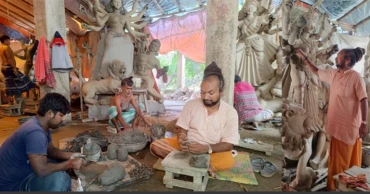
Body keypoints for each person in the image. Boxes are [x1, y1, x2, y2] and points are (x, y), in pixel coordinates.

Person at [295, 47, 368, 191]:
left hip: (349, 126)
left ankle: (344, 186)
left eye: (339, 56)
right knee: (335, 159)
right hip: (336, 125)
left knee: (345, 160)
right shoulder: (334, 74)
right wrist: (304, 57)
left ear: (347, 60)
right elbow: (316, 71)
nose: (335, 58)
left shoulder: (355, 77)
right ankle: (334, 185)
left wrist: (364, 123)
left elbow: (363, 99)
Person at [150, 62, 240, 177]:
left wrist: (206, 148)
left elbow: (228, 144)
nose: (205, 97)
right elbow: (182, 128)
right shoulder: (191, 105)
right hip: (188, 148)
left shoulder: (230, 113)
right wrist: (182, 139)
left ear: (221, 92)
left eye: (211, 93)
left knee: (228, 160)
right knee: (155, 145)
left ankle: (183, 163)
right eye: (202, 92)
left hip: (212, 150)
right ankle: (198, 164)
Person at [0, 93, 84, 191]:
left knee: (61, 161)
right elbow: (41, 171)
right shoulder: (34, 132)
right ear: (50, 114)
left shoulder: (40, 125)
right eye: (61, 115)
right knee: (60, 180)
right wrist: (70, 164)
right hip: (13, 185)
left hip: (23, 169)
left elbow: (51, 150)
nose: (63, 119)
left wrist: (72, 155)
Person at [0, 35, 37, 104]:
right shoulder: (7, 48)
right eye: (8, 40)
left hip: (4, 68)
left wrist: (22, 49)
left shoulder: (1, 48)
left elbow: (13, 54)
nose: (9, 41)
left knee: (10, 84)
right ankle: (20, 97)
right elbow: (10, 59)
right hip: (9, 68)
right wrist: (14, 68)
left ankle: (11, 102)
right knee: (25, 80)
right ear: (5, 41)